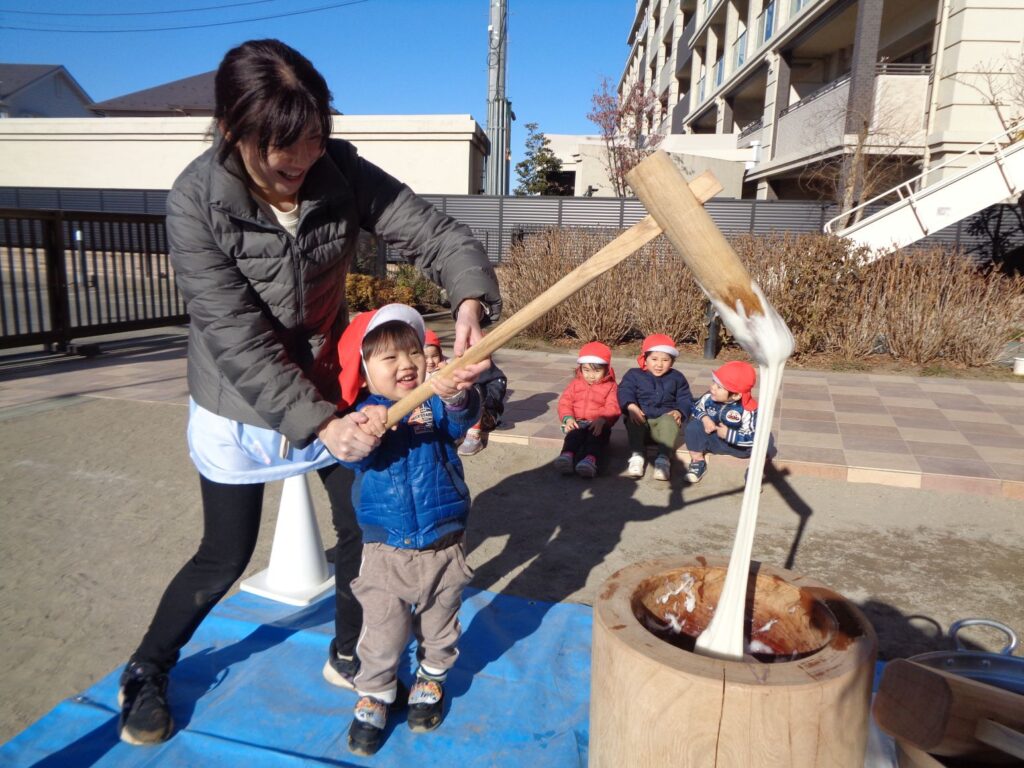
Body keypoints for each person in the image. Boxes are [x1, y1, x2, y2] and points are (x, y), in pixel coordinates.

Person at [116, 39, 500, 746]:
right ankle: (148, 668)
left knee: (360, 529)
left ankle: (350, 650)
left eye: (314, 140)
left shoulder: (339, 171)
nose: (300, 166)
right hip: (243, 398)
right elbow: (236, 338)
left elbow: (435, 233)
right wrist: (322, 425)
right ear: (234, 131)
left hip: (331, 387)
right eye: (281, 154)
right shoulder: (195, 201)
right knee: (221, 557)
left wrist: (472, 298)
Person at [333, 304, 478, 756]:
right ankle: (376, 692)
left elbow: (460, 420)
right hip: (385, 549)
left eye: (413, 352)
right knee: (383, 630)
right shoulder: (361, 415)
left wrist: (455, 396)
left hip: (443, 541)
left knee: (440, 622)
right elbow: (349, 456)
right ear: (365, 368)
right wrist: (364, 434)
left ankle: (431, 678)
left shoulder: (435, 402)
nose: (405, 364)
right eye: (389, 358)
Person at [617, 334, 693, 481]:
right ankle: (637, 456)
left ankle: (663, 459)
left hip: (663, 429)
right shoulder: (634, 375)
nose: (659, 364)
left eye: (665, 360)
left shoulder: (677, 377)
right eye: (654, 359)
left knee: (669, 420)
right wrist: (631, 405)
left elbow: (685, 398)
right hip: (642, 422)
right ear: (645, 359)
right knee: (632, 417)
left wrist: (680, 411)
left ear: (672, 362)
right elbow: (624, 390)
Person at [683, 361, 758, 483]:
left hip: (739, 448)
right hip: (714, 441)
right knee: (693, 427)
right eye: (714, 382)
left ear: (736, 395)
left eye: (719, 387)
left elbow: (753, 438)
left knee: (763, 446)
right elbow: (696, 407)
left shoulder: (747, 410)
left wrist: (729, 434)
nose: (713, 387)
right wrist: (705, 419)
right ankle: (697, 461)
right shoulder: (709, 398)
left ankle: (754, 474)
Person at [553, 341, 620, 478]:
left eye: (597, 371)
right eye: (586, 370)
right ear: (580, 368)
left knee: (595, 439)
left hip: (599, 424)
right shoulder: (575, 384)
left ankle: (590, 461)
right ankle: (567, 456)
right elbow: (565, 402)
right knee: (573, 436)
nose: (591, 375)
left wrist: (603, 419)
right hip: (578, 421)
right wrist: (568, 417)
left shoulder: (611, 386)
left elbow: (613, 406)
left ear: (606, 369)